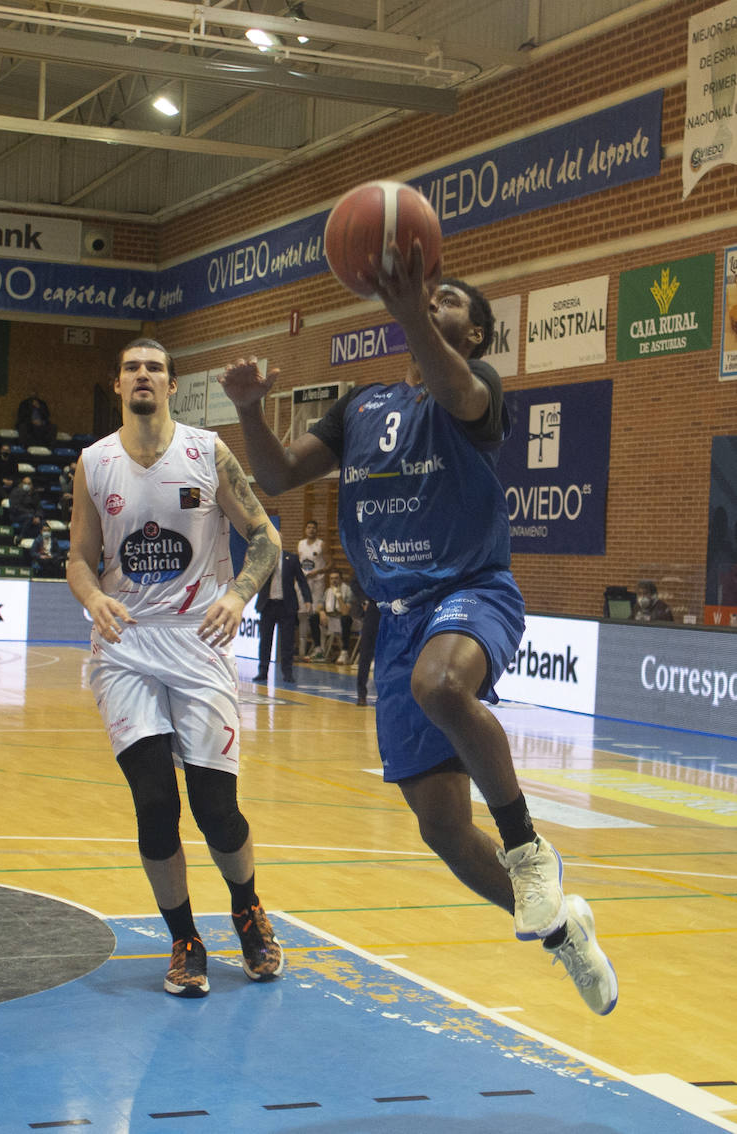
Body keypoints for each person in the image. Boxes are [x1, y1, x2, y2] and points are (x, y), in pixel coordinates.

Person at [220, 249, 617, 1016]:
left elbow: (456, 389)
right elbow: (274, 477)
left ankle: (531, 853)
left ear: (476, 334)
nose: (434, 307)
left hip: (471, 590)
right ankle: (564, 931)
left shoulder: (478, 395)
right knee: (440, 828)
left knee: (440, 685)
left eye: (449, 304)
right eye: (427, 301)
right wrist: (245, 408)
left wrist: (407, 305)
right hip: (397, 615)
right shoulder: (361, 407)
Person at [68, 337, 285, 998]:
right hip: (127, 647)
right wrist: (94, 595)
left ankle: (247, 911)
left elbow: (266, 538)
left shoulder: (207, 452)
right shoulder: (93, 462)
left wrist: (237, 593)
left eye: (154, 368)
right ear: (117, 385)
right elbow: (78, 558)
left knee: (216, 809)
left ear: (170, 384)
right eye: (131, 367)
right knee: (156, 802)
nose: (142, 376)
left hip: (198, 644)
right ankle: (185, 938)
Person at [255, 548, 311, 685]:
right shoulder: (263, 557)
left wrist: (307, 599)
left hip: (286, 605)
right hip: (268, 605)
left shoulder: (291, 558)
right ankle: (263, 671)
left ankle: (287, 672)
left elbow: (301, 580)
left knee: (287, 641)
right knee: (265, 640)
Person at [296, 519, 328, 658]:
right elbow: (297, 563)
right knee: (301, 614)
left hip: (317, 583)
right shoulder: (300, 544)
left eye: (313, 528)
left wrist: (318, 572)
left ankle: (319, 647)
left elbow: (330, 564)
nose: (311, 530)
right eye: (308, 527)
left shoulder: (321, 544)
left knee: (315, 615)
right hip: (303, 583)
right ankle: (301, 648)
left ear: (317, 530)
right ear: (305, 529)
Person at [320, 566, 354, 663]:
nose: (334, 581)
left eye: (336, 578)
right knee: (314, 617)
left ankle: (344, 652)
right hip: (330, 618)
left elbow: (346, 611)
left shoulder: (348, 590)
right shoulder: (327, 591)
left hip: (345, 619)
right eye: (331, 578)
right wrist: (322, 612)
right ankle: (319, 650)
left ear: (341, 579)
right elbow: (319, 605)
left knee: (345, 619)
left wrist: (338, 595)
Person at [354, 594, 380, 706]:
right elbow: (355, 582)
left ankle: (385, 694)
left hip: (393, 609)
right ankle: (361, 694)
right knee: (365, 654)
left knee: (388, 655)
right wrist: (364, 601)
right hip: (373, 609)